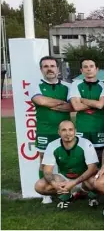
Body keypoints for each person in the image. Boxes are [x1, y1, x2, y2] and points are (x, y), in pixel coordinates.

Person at [30, 56, 72, 204]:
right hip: (45, 130)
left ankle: (63, 189)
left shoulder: (68, 86)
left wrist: (50, 104)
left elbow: (71, 106)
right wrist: (60, 103)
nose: (49, 69)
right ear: (41, 69)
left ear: (57, 69)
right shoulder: (35, 85)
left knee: (64, 160)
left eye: (52, 66)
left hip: (65, 130)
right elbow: (40, 101)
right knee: (44, 160)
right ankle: (46, 193)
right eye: (45, 66)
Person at [34, 120, 99, 209]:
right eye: (64, 130)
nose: (67, 133)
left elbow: (93, 168)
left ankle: (90, 195)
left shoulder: (86, 144)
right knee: (39, 186)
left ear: (75, 131)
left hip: (83, 179)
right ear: (59, 132)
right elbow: (47, 171)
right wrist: (54, 184)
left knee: (96, 182)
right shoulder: (52, 145)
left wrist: (74, 183)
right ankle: (68, 195)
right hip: (64, 178)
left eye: (70, 130)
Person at [69, 59, 104, 161]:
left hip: (99, 128)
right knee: (81, 159)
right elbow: (77, 107)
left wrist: (82, 99)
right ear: (81, 70)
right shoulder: (75, 85)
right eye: (85, 67)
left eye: (91, 66)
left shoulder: (103, 85)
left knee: (99, 159)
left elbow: (100, 105)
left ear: (96, 69)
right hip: (82, 128)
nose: (88, 69)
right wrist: (95, 102)